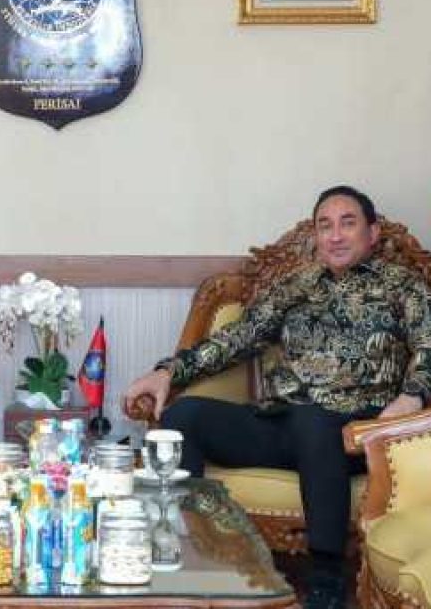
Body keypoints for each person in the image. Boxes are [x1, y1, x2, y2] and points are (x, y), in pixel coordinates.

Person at [123, 186, 431, 609]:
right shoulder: (297, 285)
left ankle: (326, 578)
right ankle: (182, 550)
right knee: (186, 416)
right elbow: (239, 336)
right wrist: (168, 372)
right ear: (316, 236)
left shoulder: (403, 286)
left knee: (314, 420)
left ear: (372, 233)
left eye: (348, 223)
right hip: (284, 423)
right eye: (325, 226)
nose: (335, 235)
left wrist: (413, 395)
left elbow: (428, 344)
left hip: (355, 432)